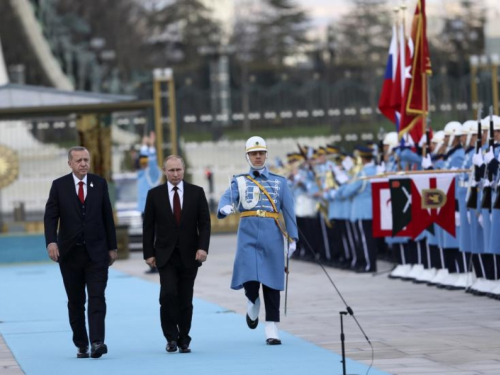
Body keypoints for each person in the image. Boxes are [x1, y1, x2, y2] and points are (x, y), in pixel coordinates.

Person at [217, 136, 298, 345]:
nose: (258, 156)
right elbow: (228, 197)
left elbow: (288, 211)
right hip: (248, 233)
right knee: (249, 277)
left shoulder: (280, 182)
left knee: (272, 282)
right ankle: (252, 300)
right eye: (254, 153)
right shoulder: (240, 180)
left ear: (266, 154)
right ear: (248, 156)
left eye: (261, 153)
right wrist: (224, 207)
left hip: (272, 234)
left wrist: (292, 238)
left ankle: (272, 327)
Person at [44, 146, 117, 359]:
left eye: (86, 159)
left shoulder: (99, 183)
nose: (83, 163)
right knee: (75, 302)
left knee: (97, 297)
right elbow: (50, 217)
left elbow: (107, 217)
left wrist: (112, 247)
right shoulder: (59, 186)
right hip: (69, 255)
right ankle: (81, 342)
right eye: (79, 160)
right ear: (70, 163)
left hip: (97, 253)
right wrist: (51, 242)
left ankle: (97, 342)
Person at [142, 155, 210, 354]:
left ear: (184, 169)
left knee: (186, 299)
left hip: (190, 255)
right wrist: (149, 253)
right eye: (171, 170)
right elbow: (148, 227)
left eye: (178, 170)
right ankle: (170, 337)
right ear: (165, 171)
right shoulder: (154, 194)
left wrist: (203, 247)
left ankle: (184, 338)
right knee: (168, 295)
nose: (175, 174)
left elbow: (204, 224)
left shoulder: (197, 193)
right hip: (165, 255)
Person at [137, 131, 162, 274]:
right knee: (148, 237)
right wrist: (145, 146)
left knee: (156, 237)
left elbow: (150, 162)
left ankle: (157, 263)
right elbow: (143, 162)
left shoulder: (153, 172)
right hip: (144, 209)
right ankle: (152, 263)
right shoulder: (142, 172)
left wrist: (148, 146)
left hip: (153, 209)